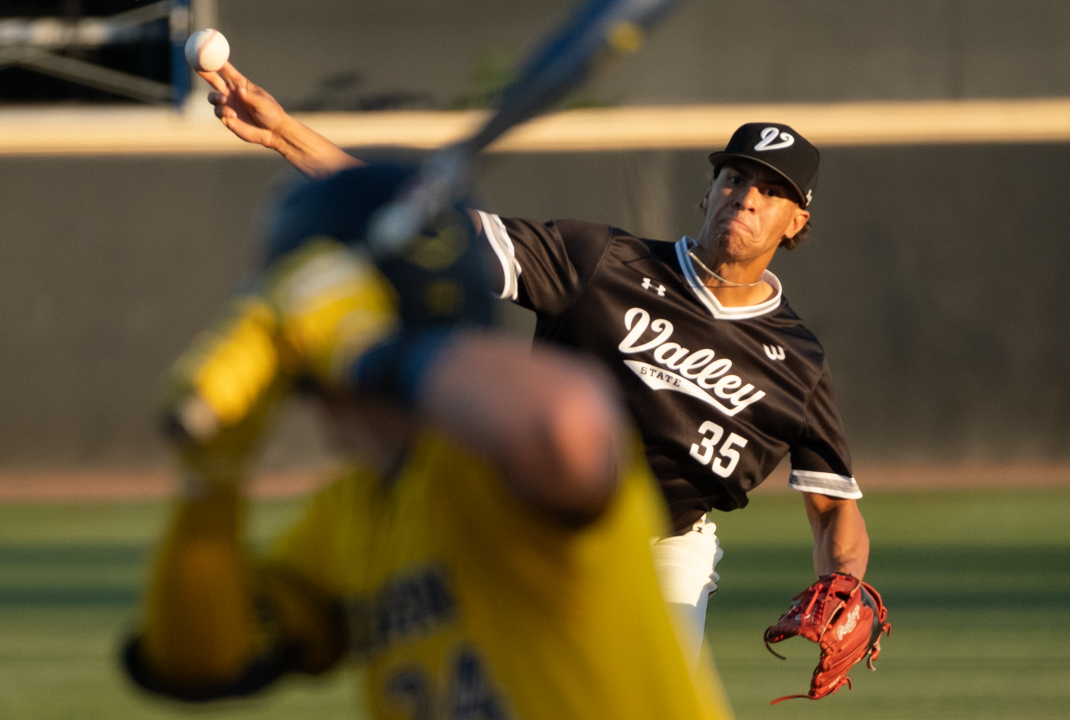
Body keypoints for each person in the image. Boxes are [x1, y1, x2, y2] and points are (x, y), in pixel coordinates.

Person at [193, 62, 873, 663]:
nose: (746, 196)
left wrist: (843, 582)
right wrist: (282, 131)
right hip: (528, 519)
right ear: (709, 190)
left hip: (664, 549)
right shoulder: (602, 261)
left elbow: (832, 508)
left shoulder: (799, 363)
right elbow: (430, 228)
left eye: (770, 190)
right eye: (734, 176)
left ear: (796, 223)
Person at [122, 166, 734, 719]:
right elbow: (195, 662)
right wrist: (213, 480)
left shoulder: (497, 467)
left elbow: (568, 423)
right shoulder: (351, 513)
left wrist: (366, 349)